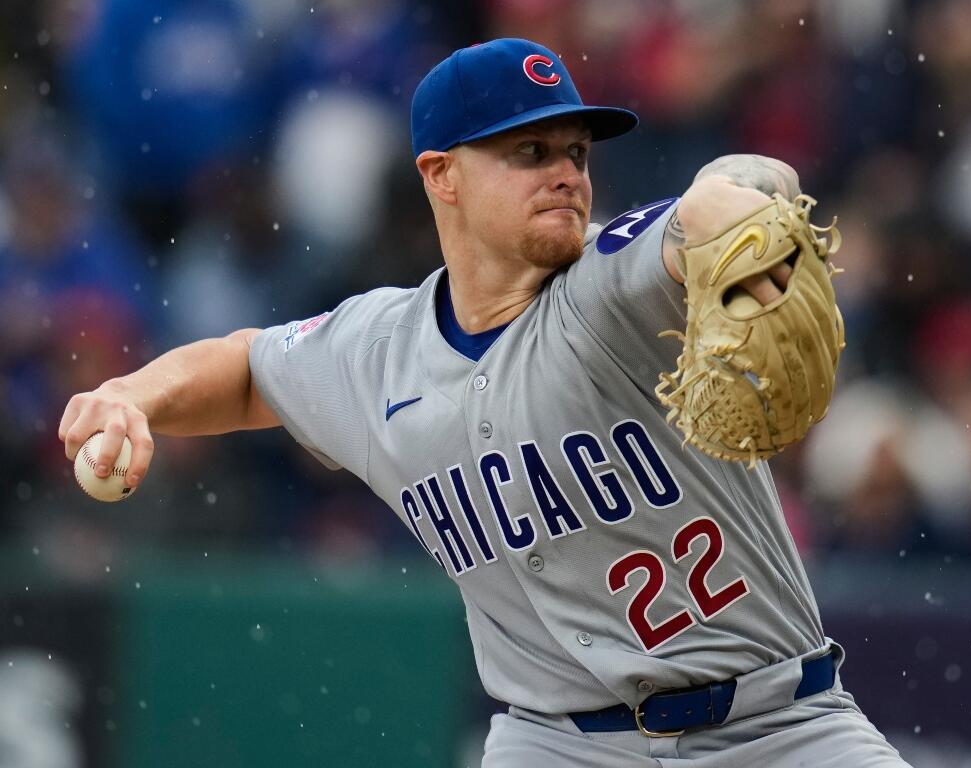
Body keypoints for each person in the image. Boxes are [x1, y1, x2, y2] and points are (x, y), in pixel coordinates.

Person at [59, 38, 910, 767]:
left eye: (576, 153)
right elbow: (245, 367)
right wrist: (129, 394)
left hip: (779, 725)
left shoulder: (615, 283)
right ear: (442, 175)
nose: (566, 175)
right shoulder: (377, 352)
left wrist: (744, 191)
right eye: (529, 152)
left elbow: (715, 208)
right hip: (559, 743)